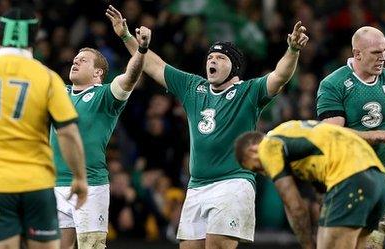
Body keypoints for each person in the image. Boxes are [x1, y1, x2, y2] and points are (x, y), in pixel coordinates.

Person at [106, 5, 308, 248]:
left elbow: (279, 76)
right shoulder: (194, 87)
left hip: (233, 183)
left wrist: (293, 50)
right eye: (210, 57)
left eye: (220, 58)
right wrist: (128, 38)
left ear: (233, 68)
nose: (212, 60)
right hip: (196, 186)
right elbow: (154, 66)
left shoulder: (248, 91)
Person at [0, 7, 88, 249]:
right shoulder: (47, 77)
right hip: (37, 184)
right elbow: (67, 132)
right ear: (35, 39)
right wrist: (80, 177)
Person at [316, 26, 385, 248]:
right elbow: (332, 135)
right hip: (345, 175)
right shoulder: (334, 84)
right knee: (344, 243)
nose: (383, 57)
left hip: (380, 178)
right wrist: (383, 135)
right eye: (376, 52)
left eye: (384, 51)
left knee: (373, 244)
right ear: (357, 54)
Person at [48, 11, 150, 249]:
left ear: (98, 73)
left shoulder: (105, 95)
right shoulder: (58, 92)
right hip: (54, 183)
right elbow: (30, 73)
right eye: (75, 58)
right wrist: (8, 48)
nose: (76, 60)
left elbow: (131, 76)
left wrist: (141, 50)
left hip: (91, 185)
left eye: (83, 60)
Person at [234, 120, 385, 249]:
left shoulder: (268, 146)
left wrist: (307, 245)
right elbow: (321, 196)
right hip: (380, 181)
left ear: (253, 151)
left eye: (257, 167)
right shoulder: (294, 133)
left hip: (350, 179)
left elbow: (295, 207)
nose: (264, 172)